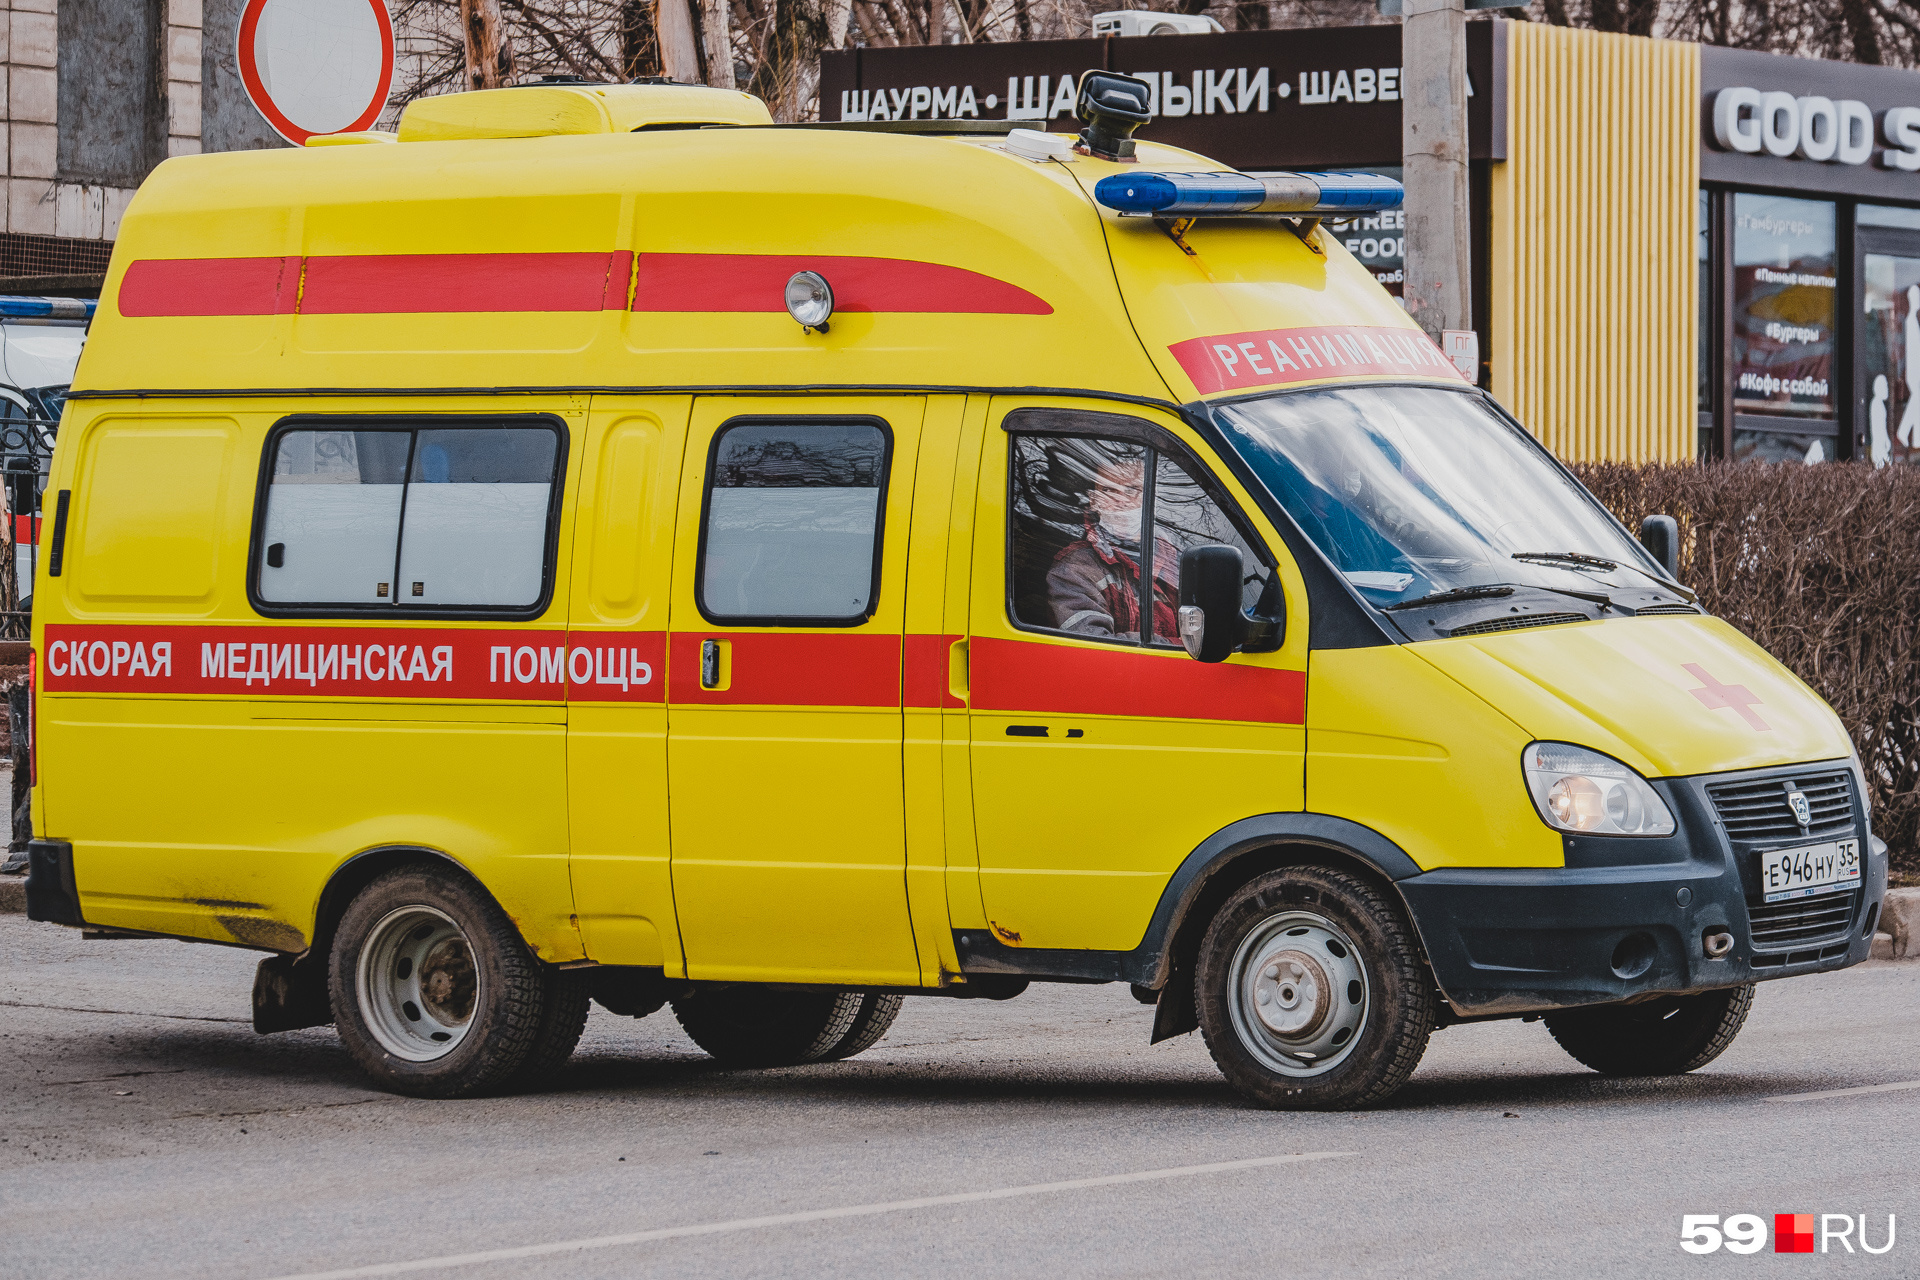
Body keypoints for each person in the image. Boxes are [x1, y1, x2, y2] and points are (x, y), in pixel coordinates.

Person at [1045, 456, 1180, 643]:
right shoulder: (1075, 567)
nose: (1120, 500)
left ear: (1151, 498)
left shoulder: (1175, 556)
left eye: (1132, 489)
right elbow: (1091, 648)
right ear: (1094, 500)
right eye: (1108, 490)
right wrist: (1181, 646)